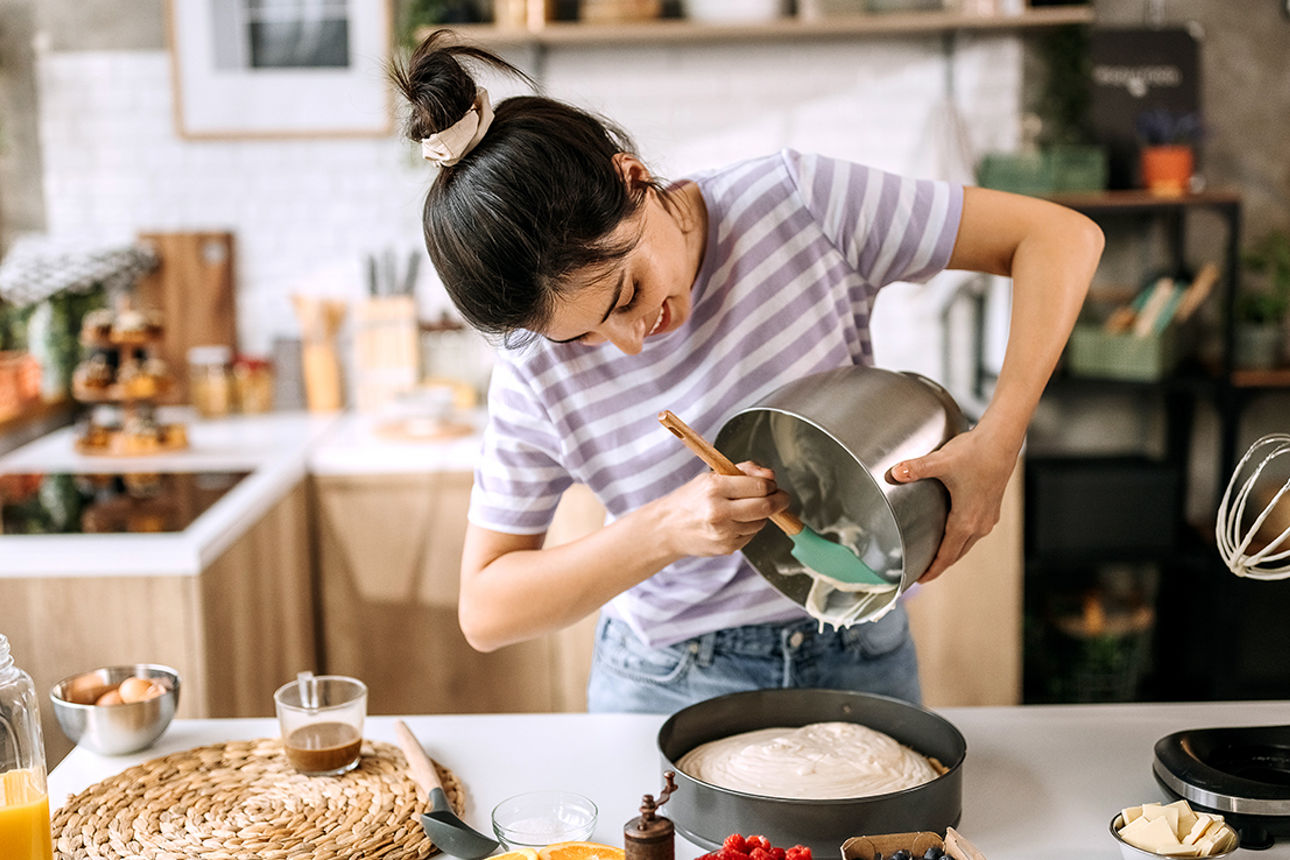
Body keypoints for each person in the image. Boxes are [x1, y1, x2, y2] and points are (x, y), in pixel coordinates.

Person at [389, 31, 1103, 714]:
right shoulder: (535, 375)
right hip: (665, 683)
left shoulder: (799, 204)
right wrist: (666, 528)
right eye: (585, 338)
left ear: (632, 178)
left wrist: (999, 440)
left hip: (860, 651)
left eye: (629, 293)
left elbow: (1060, 238)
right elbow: (486, 611)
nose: (631, 343)